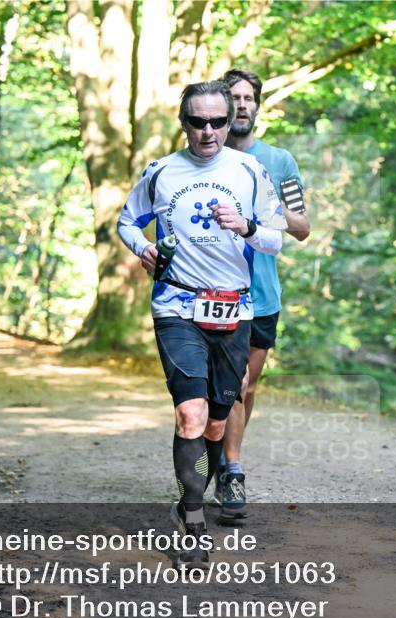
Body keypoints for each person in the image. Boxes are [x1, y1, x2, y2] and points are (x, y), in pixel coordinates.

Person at [118, 80, 286, 567]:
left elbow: (280, 237)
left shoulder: (249, 171)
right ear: (184, 122)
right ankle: (192, 520)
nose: (209, 131)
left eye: (219, 121)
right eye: (199, 121)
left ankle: (188, 501)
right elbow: (127, 221)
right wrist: (142, 247)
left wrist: (248, 227)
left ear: (229, 120)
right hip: (177, 306)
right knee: (190, 414)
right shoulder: (162, 173)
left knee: (215, 424)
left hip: (234, 310)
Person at [210, 69, 311, 524]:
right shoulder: (202, 156)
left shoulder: (281, 161)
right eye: (235, 96)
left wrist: (263, 212)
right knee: (223, 388)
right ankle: (226, 463)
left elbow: (303, 228)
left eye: (250, 97)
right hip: (208, 289)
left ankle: (227, 459)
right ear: (222, 105)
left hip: (262, 294)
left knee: (244, 388)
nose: (244, 104)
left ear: (258, 105)